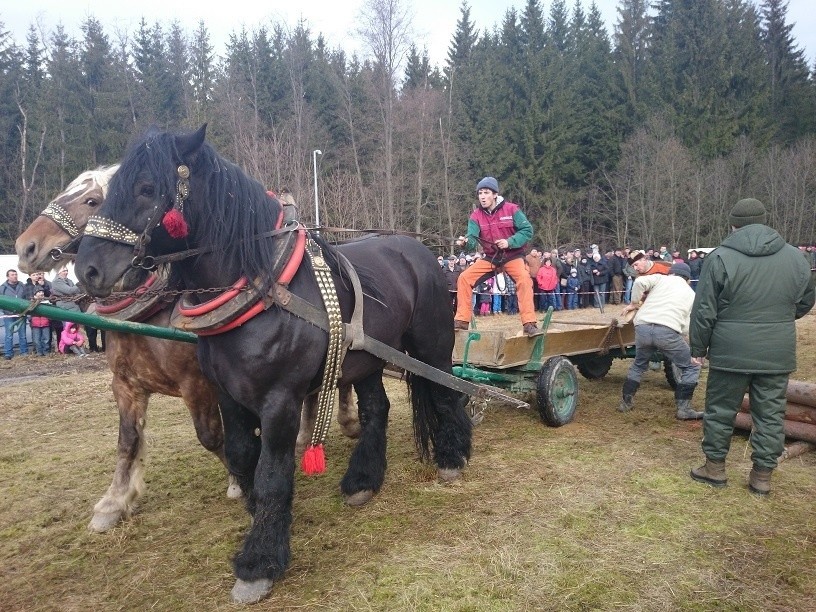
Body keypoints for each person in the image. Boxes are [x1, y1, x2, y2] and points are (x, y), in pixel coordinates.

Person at [689, 198, 815, 495]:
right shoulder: (796, 258)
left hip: (729, 349)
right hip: (776, 350)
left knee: (720, 410)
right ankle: (762, 477)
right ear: (763, 220)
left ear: (733, 224)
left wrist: (698, 347)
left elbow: (704, 309)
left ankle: (715, 468)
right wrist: (780, 319)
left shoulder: (719, 257)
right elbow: (805, 301)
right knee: (771, 414)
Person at [617, 262, 703, 419]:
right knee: (692, 367)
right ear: (688, 279)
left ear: (671, 273)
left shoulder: (661, 279)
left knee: (638, 365)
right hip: (667, 331)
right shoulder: (691, 294)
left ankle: (626, 403)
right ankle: (684, 409)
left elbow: (639, 282)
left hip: (642, 327)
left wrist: (634, 303)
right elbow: (688, 326)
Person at [455, 177, 538, 336]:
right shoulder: (476, 216)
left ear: (495, 194)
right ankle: (462, 321)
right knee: (464, 278)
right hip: (491, 258)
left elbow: (527, 230)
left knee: (524, 279)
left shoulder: (512, 209)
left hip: (512, 255)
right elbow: (473, 239)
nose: (482, 196)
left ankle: (529, 324)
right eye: (480, 193)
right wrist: (465, 242)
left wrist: (510, 242)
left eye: (486, 192)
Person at [2, 269, 30, 360]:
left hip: (21, 314)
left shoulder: (22, 286)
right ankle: (8, 353)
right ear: (8, 277)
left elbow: (26, 299)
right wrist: (6, 311)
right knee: (9, 335)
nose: (15, 276)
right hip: (9, 315)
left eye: (15, 274)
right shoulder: (3, 287)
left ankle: (24, 352)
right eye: (12, 274)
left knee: (22, 334)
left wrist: (25, 310)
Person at [29, 288, 51, 356]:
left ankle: (46, 351)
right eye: (39, 292)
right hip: (35, 324)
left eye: (42, 292)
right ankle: (39, 352)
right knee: (36, 340)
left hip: (45, 323)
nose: (41, 293)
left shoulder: (47, 302)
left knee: (46, 339)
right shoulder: (31, 302)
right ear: (35, 294)